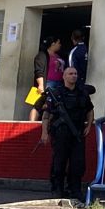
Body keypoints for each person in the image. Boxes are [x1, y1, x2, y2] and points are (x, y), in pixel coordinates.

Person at [36, 65, 95, 201]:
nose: (73, 76)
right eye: (70, 74)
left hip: (78, 133)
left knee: (78, 164)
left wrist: (89, 125)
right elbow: (46, 115)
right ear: (64, 76)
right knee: (59, 162)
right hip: (61, 133)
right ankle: (57, 189)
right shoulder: (56, 93)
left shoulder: (82, 94)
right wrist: (44, 133)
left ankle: (75, 190)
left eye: (75, 73)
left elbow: (90, 110)